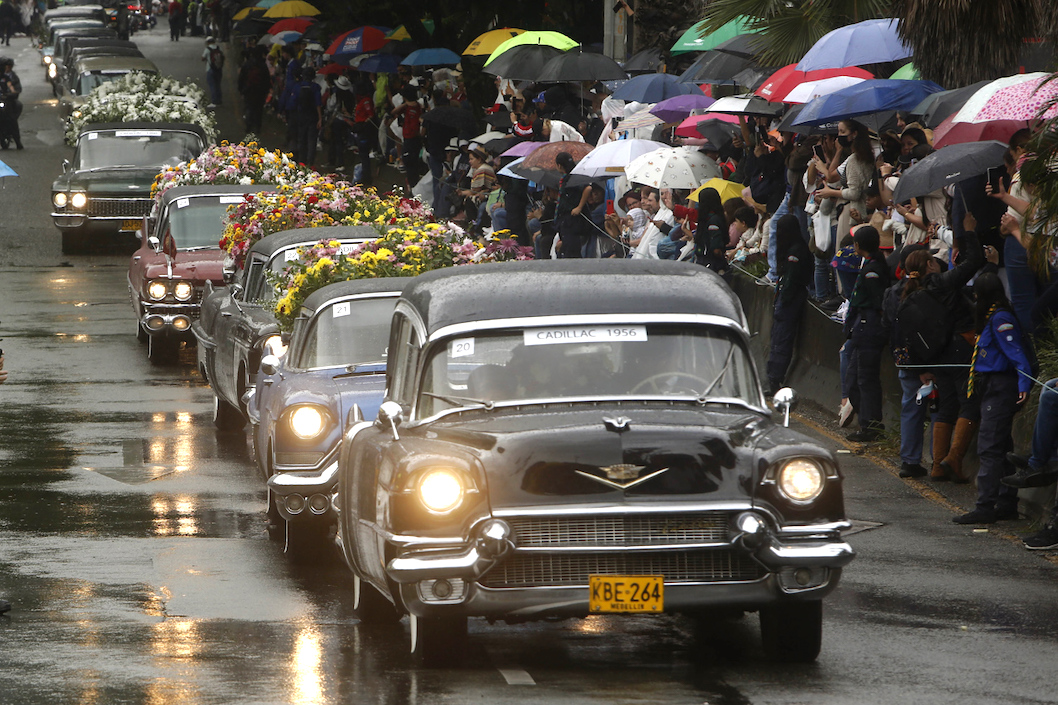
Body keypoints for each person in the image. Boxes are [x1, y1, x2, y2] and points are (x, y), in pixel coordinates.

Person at [894, 213, 985, 480]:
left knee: (946, 406)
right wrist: (970, 232)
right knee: (969, 403)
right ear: (930, 266)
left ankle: (936, 465)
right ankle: (953, 459)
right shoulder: (942, 283)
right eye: (934, 259)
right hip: (960, 351)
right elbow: (974, 263)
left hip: (937, 358)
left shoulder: (908, 293)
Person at [953, 272, 1032, 524]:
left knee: (989, 445)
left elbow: (1017, 354)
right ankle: (1006, 501)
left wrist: (1024, 384)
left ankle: (985, 505)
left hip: (1001, 386)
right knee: (1002, 446)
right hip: (990, 385)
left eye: (977, 294)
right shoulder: (990, 318)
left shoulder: (1000, 319)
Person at [844, 225, 890, 442]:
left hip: (869, 327)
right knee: (854, 379)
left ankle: (871, 425)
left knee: (866, 378)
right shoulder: (872, 264)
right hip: (861, 328)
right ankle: (867, 422)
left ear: (858, 246)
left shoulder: (873, 270)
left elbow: (878, 301)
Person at [767, 214, 814, 394]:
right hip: (787, 297)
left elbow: (792, 280)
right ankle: (771, 375)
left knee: (781, 340)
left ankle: (774, 379)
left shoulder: (796, 252)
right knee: (777, 338)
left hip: (791, 299)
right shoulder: (795, 248)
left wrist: (783, 299)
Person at [554, 151, 592, 258]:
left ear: (559, 165)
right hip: (565, 219)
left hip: (572, 219)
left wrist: (579, 207)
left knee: (572, 250)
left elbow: (588, 188)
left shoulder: (574, 177)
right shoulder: (565, 179)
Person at [391, 84, 424, 189]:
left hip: (412, 139)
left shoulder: (417, 107)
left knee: (411, 164)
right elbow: (394, 112)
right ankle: (412, 185)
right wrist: (405, 104)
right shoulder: (407, 107)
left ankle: (413, 187)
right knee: (410, 163)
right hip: (408, 139)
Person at [237, 46, 271, 134]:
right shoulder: (263, 65)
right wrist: (266, 91)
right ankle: (257, 127)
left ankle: (248, 126)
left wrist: (241, 90)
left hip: (248, 90)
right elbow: (267, 79)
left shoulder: (247, 64)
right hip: (260, 91)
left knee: (249, 108)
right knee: (258, 110)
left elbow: (241, 78)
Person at [292, 66, 321, 166]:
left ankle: (301, 162)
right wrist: (320, 118)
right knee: (312, 141)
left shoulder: (297, 87)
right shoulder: (316, 87)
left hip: (301, 116)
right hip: (313, 116)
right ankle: (310, 163)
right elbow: (318, 104)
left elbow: (293, 102)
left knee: (302, 139)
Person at [694, 187, 727, 271]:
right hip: (710, 263)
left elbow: (715, 248)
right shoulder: (715, 218)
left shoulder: (710, 221)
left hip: (708, 263)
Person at [0, 56, 22, 150]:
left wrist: (11, 94)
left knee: (12, 118)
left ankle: (18, 141)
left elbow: (17, 89)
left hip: (8, 100)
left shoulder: (12, 77)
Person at [201, 37, 224, 108]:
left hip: (210, 69)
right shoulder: (218, 48)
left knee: (212, 85)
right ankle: (219, 100)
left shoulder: (207, 49)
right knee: (218, 85)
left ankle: (214, 101)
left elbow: (202, 58)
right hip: (218, 69)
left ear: (208, 42)